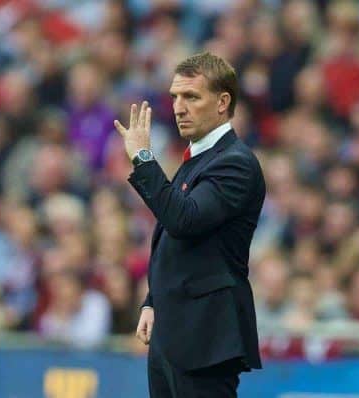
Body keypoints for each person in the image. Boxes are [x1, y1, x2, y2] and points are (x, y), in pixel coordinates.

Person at [114, 52, 265, 397]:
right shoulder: (199, 158)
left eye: (192, 97)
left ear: (222, 102)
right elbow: (176, 240)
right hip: (174, 331)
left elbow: (184, 220)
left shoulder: (235, 163)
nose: (179, 107)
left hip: (205, 338)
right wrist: (153, 301)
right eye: (175, 97)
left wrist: (143, 157)